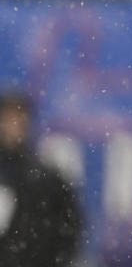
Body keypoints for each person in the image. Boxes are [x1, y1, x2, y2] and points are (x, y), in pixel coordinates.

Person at [0, 90, 82, 266]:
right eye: (8, 118)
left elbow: (69, 230)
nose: (14, 125)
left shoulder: (47, 178)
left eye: (19, 117)